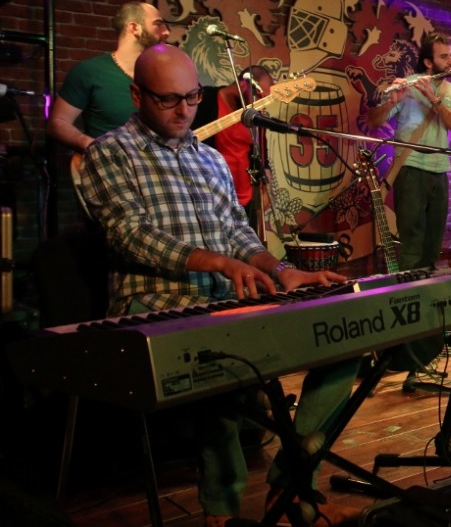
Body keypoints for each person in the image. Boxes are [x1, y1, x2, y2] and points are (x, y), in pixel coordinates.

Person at [78, 44, 360, 527]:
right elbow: (129, 234)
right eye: (168, 99)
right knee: (221, 362)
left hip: (224, 300)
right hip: (155, 304)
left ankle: (291, 483)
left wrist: (281, 271)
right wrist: (220, 263)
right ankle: (223, 511)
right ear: (137, 95)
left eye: (192, 97)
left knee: (344, 336)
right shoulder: (109, 152)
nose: (184, 110)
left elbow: (236, 230)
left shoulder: (209, 159)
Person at [365, 32, 451, 391]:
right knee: (410, 253)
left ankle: (422, 354)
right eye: (444, 56)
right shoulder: (406, 85)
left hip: (440, 173)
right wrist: (395, 98)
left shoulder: (450, 90)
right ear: (427, 61)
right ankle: (400, 348)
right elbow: (375, 120)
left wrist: (434, 99)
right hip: (410, 171)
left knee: (430, 255)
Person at [47, 1, 171, 152]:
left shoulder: (165, 77)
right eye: (158, 24)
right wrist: (93, 146)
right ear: (134, 28)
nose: (166, 32)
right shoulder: (90, 71)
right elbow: (58, 123)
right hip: (109, 164)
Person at [214, 66, 274, 216]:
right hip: (216, 197)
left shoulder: (253, 115)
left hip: (246, 199)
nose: (261, 104)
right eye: (259, 96)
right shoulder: (208, 101)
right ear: (243, 85)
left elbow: (262, 154)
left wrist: (267, 188)